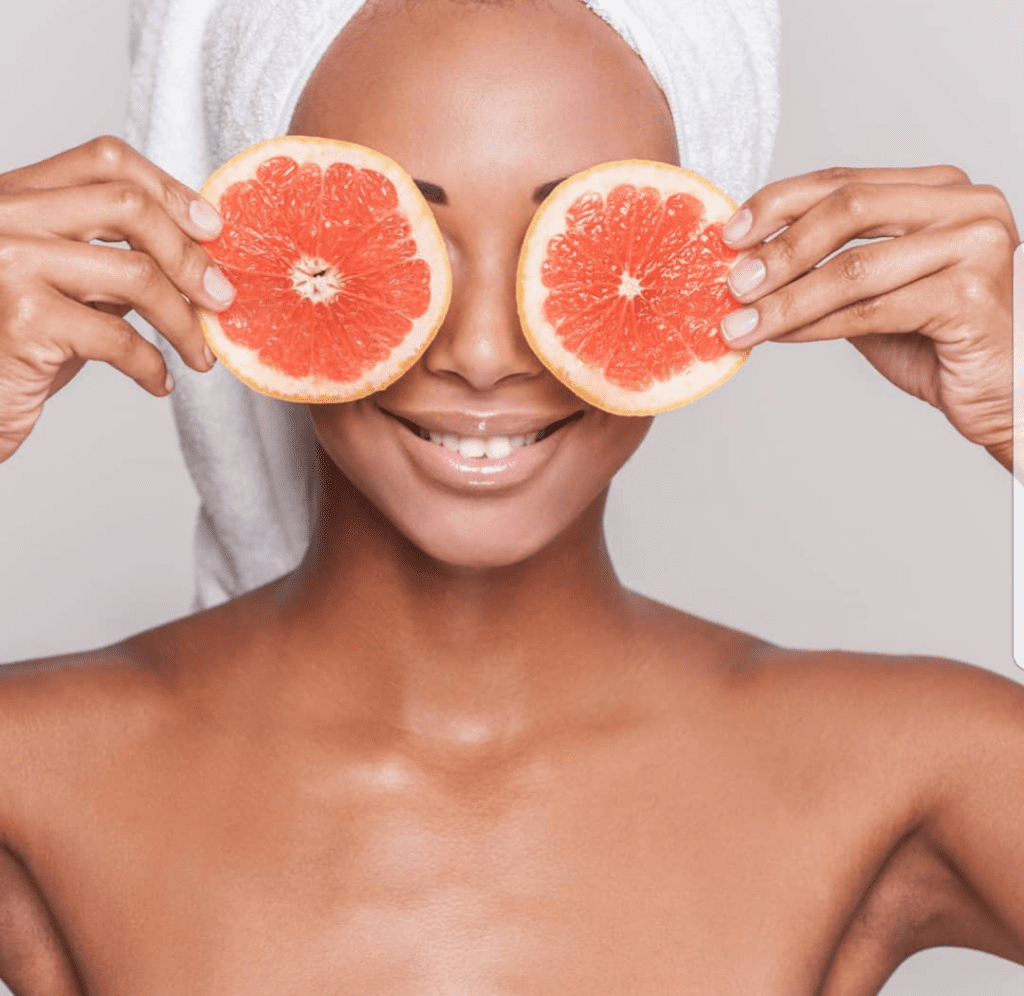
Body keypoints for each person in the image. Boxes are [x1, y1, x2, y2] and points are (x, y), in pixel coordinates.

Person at [0, 0, 1021, 993]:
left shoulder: (900, 769)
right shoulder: (41, 776)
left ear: (708, 278)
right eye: (401, 247)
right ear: (253, 264)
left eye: (572, 251)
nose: (484, 355)